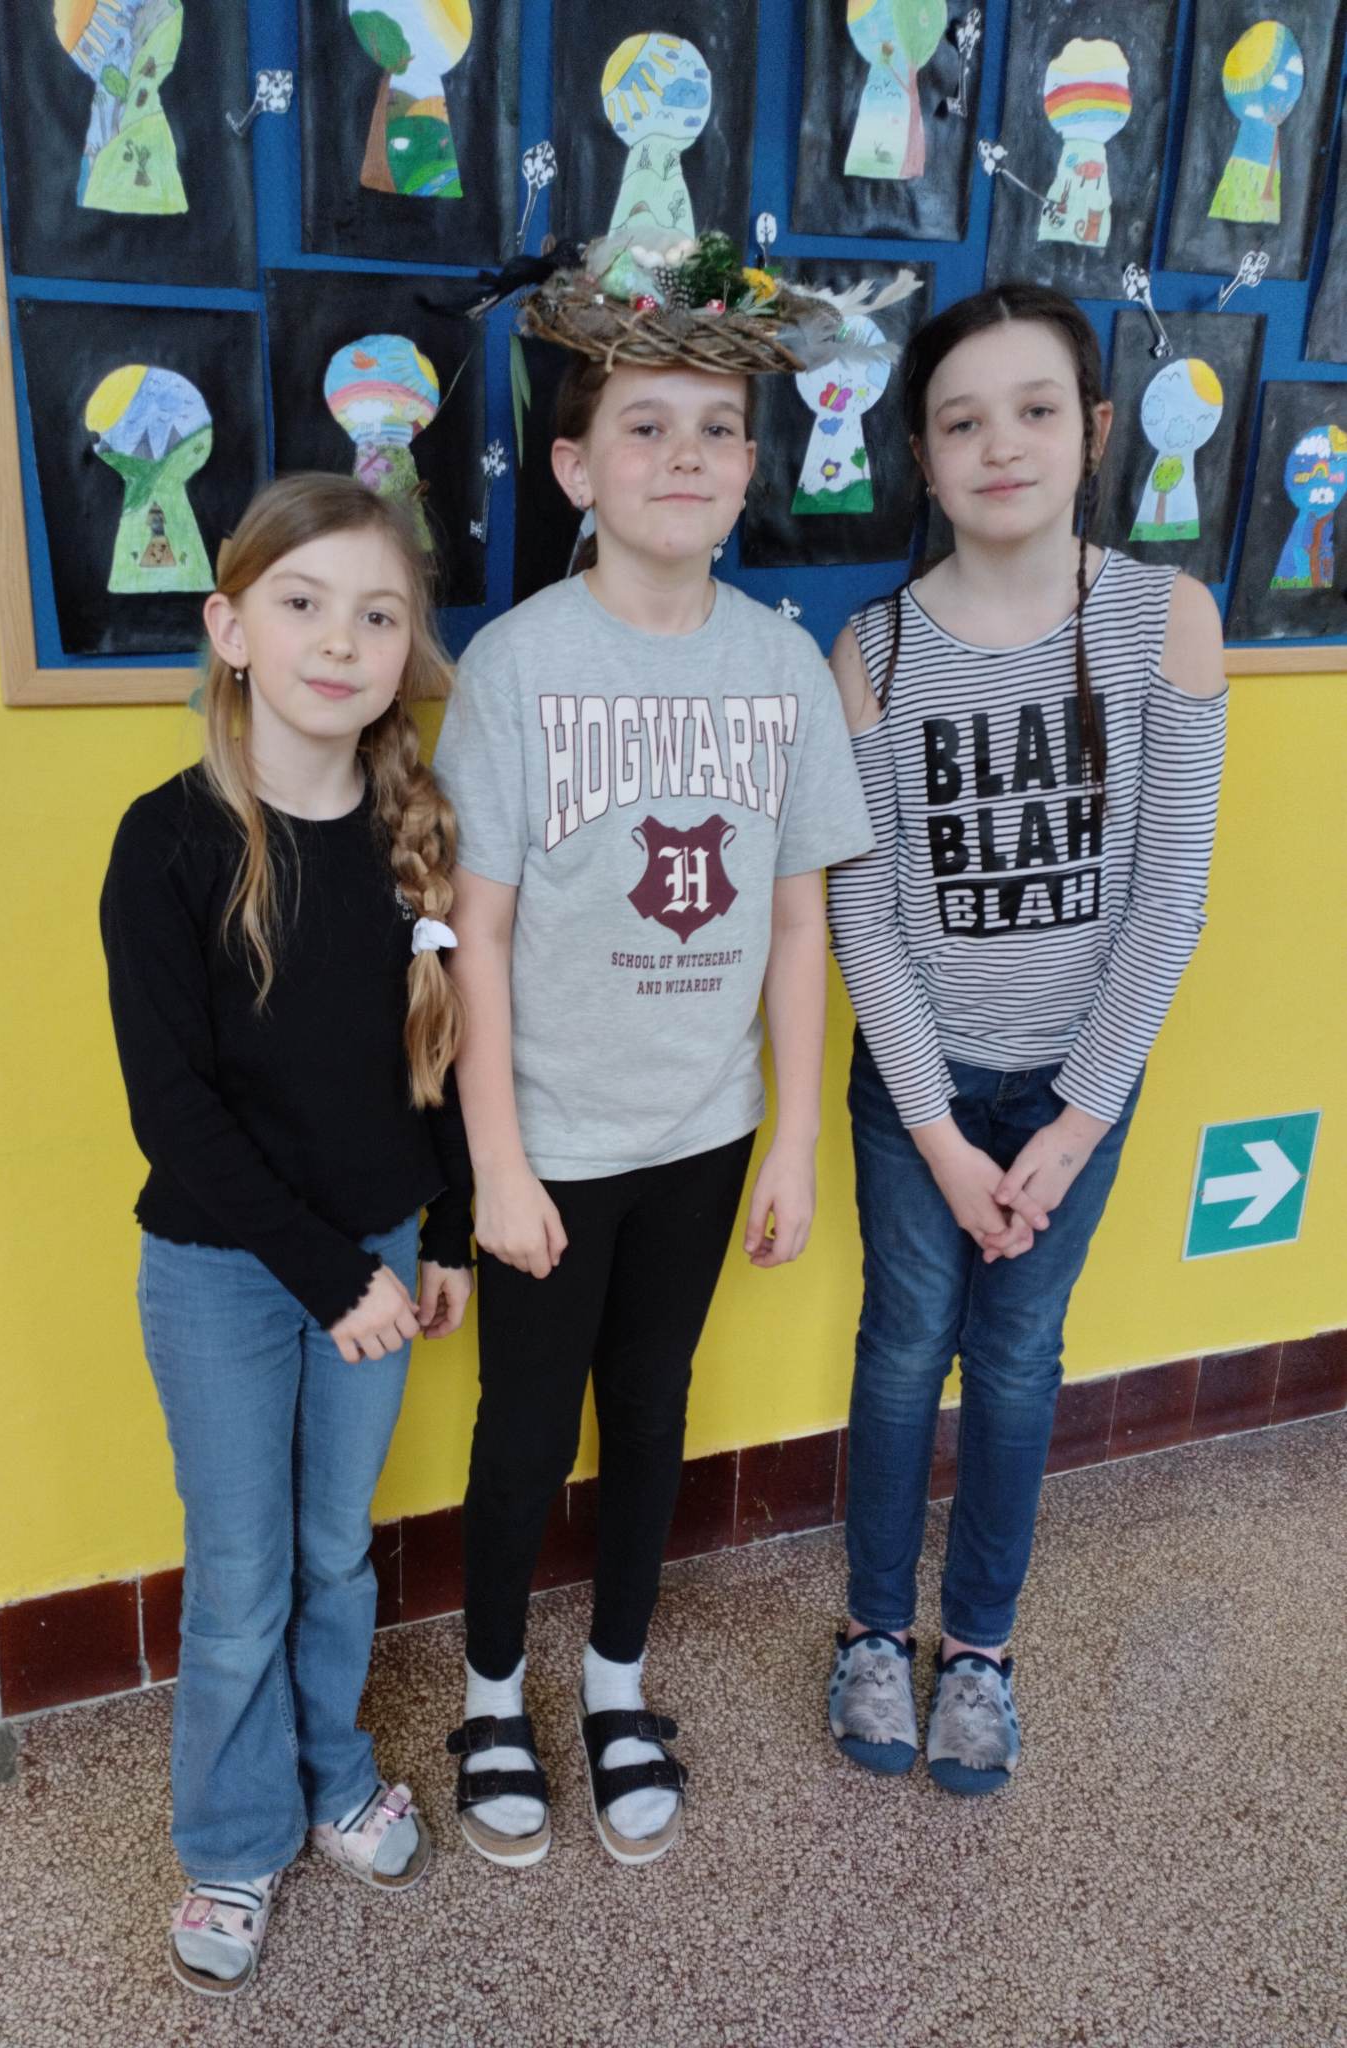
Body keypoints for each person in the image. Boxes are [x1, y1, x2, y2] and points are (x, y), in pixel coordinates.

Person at [432, 239, 875, 1868]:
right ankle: (491, 1694)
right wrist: (492, 1160)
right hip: (549, 1138)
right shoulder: (518, 666)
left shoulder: (778, 667)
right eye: (644, 427)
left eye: (715, 430)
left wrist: (794, 1139)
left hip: (702, 1132)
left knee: (651, 1408)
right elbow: (472, 937)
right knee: (521, 1431)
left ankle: (615, 1680)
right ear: (575, 468)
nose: (682, 456)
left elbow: (798, 924)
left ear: (752, 468)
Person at [823, 284, 1227, 1796]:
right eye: (962, 421)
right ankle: (874, 1629)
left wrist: (1075, 1121)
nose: (1002, 445)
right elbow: (862, 914)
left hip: (1075, 1094)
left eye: (1036, 410)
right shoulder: (874, 650)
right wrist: (937, 1133)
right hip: (914, 1095)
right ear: (924, 460)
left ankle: (979, 1648)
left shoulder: (1164, 622)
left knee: (1013, 1363)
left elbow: (1168, 898)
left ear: (1096, 431)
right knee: (900, 1352)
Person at [100, 473, 473, 1994]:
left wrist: (444, 1235)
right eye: (302, 604)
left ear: (405, 651)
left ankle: (333, 1778)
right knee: (245, 1566)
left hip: (377, 1261)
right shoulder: (168, 842)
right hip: (227, 1275)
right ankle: (232, 1837)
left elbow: (440, 1060)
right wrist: (335, 1280)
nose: (339, 640)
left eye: (377, 615)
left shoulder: (414, 835)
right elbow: (174, 1111)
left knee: (334, 1551)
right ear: (230, 626)